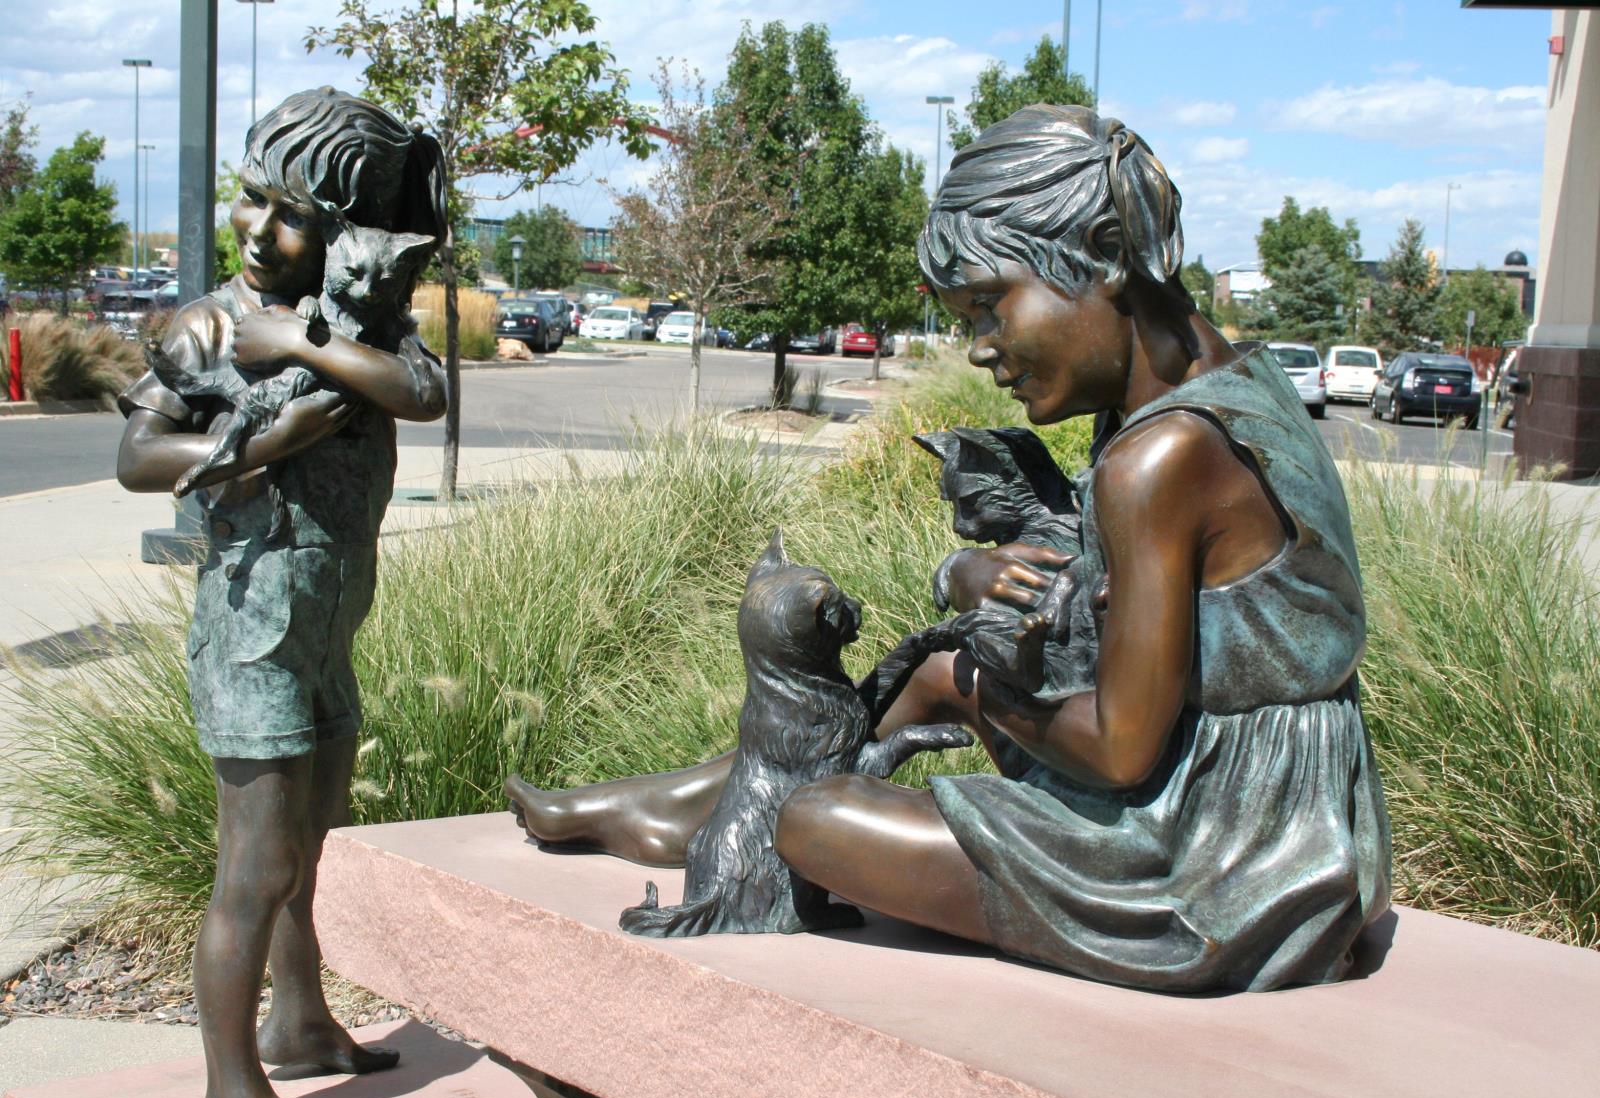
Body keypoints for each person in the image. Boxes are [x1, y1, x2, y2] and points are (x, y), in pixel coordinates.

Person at [510, 104, 1390, 994]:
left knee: (816, 820)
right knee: (934, 675)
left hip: (1219, 860)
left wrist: (989, 690)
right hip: (1276, 803)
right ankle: (692, 806)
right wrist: (970, 585)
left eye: (988, 302)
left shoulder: (1159, 458)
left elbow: (1123, 748)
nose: (979, 348)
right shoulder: (1220, 386)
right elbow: (1130, 612)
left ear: (1103, 252)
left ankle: (725, 812)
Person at [115, 88, 447, 1098]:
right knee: (254, 870)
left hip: (326, 630)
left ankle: (299, 1026)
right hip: (253, 631)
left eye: (293, 213)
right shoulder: (206, 327)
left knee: (310, 855)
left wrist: (303, 347)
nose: (259, 230)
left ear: (350, 236)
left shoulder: (367, 329)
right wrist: (260, 445)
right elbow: (136, 459)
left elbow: (419, 393)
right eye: (253, 199)